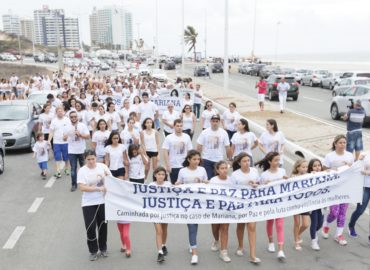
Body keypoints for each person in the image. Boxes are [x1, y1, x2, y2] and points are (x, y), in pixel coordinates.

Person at [77, 149, 111, 261]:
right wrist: (97, 188)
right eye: (88, 159)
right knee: (90, 227)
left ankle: (103, 248)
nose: (91, 161)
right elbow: (82, 187)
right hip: (88, 203)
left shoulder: (102, 167)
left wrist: (108, 183)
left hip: (102, 201)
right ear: (85, 159)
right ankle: (93, 251)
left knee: (102, 226)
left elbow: (111, 180)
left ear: (96, 158)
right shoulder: (82, 171)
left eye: (93, 159)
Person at [175, 150, 208, 265]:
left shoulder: (202, 170)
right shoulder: (182, 171)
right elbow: (178, 183)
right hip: (187, 203)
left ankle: (191, 243)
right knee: (191, 226)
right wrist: (177, 184)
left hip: (199, 203)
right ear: (189, 159)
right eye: (194, 159)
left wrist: (204, 182)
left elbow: (207, 184)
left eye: (198, 159)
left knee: (195, 224)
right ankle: (194, 253)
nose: (197, 161)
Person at [321, 134, 354, 245]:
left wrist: (350, 166)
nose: (342, 145)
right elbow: (324, 170)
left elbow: (353, 170)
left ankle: (338, 235)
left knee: (343, 212)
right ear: (335, 144)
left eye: (344, 143)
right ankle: (326, 224)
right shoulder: (330, 156)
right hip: (333, 188)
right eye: (340, 142)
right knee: (334, 213)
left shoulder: (350, 156)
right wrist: (331, 169)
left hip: (346, 188)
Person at [256, 152, 288, 261]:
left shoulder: (283, 171)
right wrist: (265, 184)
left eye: (279, 160)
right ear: (269, 162)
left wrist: (286, 180)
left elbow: (287, 186)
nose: (278, 162)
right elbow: (259, 189)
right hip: (269, 204)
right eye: (275, 160)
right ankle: (270, 242)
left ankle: (280, 250)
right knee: (270, 222)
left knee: (279, 225)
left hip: (281, 203)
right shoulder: (264, 175)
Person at [231, 153, 261, 264]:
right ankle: (240, 246)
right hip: (240, 204)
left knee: (252, 227)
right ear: (239, 163)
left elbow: (259, 183)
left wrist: (256, 184)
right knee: (240, 226)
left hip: (252, 203)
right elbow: (231, 190)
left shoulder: (254, 171)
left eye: (248, 160)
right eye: (244, 161)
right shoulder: (235, 175)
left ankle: (253, 255)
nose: (247, 162)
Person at [210, 161, 232, 262]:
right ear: (217, 170)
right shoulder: (213, 180)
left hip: (226, 209)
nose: (224, 170)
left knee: (225, 228)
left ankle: (224, 252)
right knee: (215, 228)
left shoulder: (231, 181)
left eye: (225, 168)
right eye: (222, 168)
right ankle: (216, 240)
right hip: (215, 208)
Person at [196, 114, 231, 179]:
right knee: (208, 179)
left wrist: (229, 159)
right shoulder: (205, 132)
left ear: (219, 122)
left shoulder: (224, 133)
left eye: (216, 121)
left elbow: (227, 147)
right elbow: (199, 146)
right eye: (213, 121)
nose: (215, 123)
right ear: (210, 122)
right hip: (206, 159)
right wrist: (198, 158)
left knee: (218, 179)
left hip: (218, 160)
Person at [150, 167, 171, 263]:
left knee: (164, 229)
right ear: (155, 175)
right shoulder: (151, 185)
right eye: (159, 174)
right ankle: (160, 253)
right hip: (155, 212)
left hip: (166, 211)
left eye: (163, 174)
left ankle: (163, 245)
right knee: (159, 231)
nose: (161, 176)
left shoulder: (168, 184)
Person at [65, 111, 90, 192]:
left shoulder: (82, 125)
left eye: (75, 116)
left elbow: (88, 136)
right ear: (69, 118)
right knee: (73, 169)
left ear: (77, 117)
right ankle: (74, 184)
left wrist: (80, 135)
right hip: (72, 151)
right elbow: (64, 138)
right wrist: (65, 137)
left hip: (82, 150)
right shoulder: (67, 127)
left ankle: (85, 183)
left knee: (84, 168)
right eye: (71, 117)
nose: (73, 118)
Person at [348, 150, 370, 242]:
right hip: (365, 187)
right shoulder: (365, 155)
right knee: (360, 210)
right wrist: (358, 161)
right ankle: (351, 225)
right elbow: (355, 169)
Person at [163, 119, 193, 184]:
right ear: (174, 126)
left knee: (185, 185)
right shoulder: (169, 137)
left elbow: (190, 151)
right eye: (177, 126)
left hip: (184, 166)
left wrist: (190, 164)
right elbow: (165, 152)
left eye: (181, 126)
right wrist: (168, 165)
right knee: (175, 185)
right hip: (173, 166)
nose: (179, 127)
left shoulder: (187, 137)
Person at [291, 159, 310, 250]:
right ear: (298, 168)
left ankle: (297, 235)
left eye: (306, 167)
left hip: (305, 203)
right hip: (295, 203)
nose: (305, 169)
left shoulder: (309, 176)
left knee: (306, 224)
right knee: (297, 223)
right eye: (303, 167)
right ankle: (296, 242)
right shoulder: (293, 177)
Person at [48, 106, 71, 178]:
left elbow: (70, 130)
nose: (60, 112)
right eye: (58, 111)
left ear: (63, 112)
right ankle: (58, 171)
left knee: (66, 157)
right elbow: (51, 131)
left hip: (65, 142)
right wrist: (49, 140)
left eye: (61, 111)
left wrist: (67, 136)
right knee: (57, 157)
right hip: (56, 142)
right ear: (56, 112)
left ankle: (66, 168)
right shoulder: (54, 121)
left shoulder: (67, 120)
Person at [308, 158, 324, 250]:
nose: (317, 167)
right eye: (315, 166)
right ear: (311, 168)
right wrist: (311, 176)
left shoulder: (325, 175)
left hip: (322, 204)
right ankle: (313, 241)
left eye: (319, 165)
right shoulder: (308, 176)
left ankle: (315, 232)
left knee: (320, 223)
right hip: (312, 204)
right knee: (314, 222)